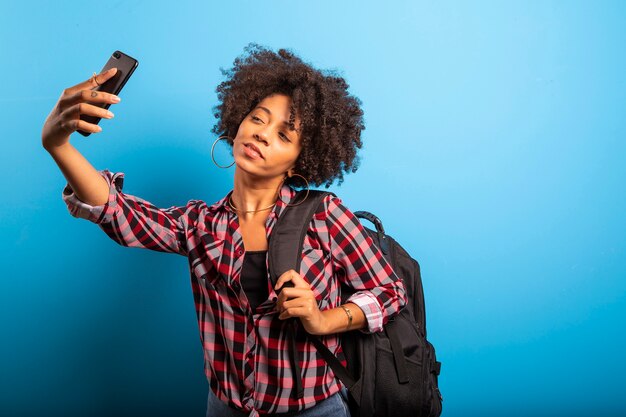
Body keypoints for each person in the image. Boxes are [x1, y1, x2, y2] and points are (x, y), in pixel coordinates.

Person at [41, 43, 407, 417]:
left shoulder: (324, 215)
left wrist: (323, 318)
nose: (263, 134)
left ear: (302, 158)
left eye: (284, 135)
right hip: (225, 408)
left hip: (314, 409)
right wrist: (57, 144)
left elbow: (390, 292)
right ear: (238, 122)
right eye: (258, 118)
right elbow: (118, 213)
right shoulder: (201, 224)